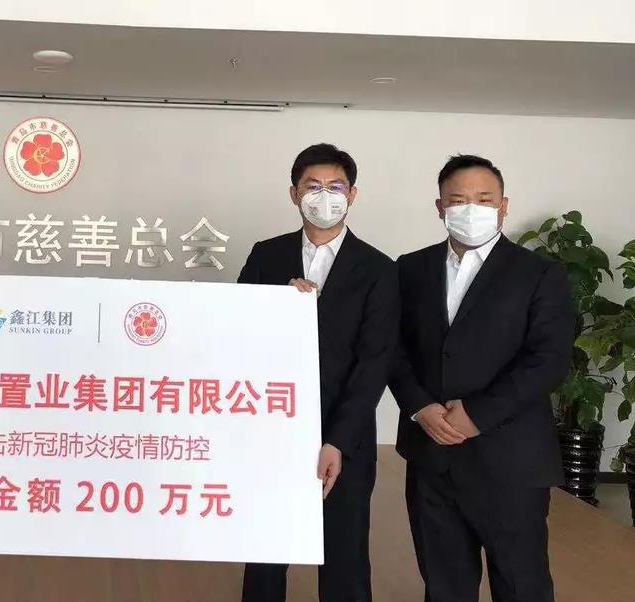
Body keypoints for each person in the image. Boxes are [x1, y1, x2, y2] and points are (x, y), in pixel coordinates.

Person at [389, 155, 573, 602]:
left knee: (521, 584)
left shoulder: (540, 274)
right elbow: (390, 347)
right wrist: (419, 406)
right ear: (439, 207)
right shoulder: (409, 269)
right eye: (458, 200)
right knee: (444, 585)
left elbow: (548, 359)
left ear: (504, 206)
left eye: (484, 199)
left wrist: (477, 414)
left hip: (511, 460)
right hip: (431, 455)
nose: (471, 209)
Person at [238, 143, 398, 602]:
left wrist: (337, 441)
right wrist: (279, 305)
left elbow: (374, 363)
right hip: (272, 429)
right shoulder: (266, 255)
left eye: (335, 187)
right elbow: (237, 328)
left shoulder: (378, 268)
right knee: (267, 550)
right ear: (294, 194)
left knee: (344, 554)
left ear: (352, 195)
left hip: (345, 437)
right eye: (312, 186)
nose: (324, 196)